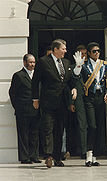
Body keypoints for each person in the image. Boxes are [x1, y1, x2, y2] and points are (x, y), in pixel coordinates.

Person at [32, 39, 77, 168]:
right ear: (55, 49)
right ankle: (48, 155)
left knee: (59, 130)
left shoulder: (66, 62)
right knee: (48, 129)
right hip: (48, 102)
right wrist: (35, 99)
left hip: (63, 103)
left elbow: (70, 80)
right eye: (63, 48)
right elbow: (35, 81)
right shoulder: (43, 62)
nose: (65, 51)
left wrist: (74, 88)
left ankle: (57, 157)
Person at [73, 42, 107, 167]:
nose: (97, 53)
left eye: (98, 51)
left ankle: (94, 156)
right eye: (94, 51)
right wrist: (78, 66)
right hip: (89, 98)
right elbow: (75, 76)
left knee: (100, 127)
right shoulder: (84, 65)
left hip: (100, 98)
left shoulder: (105, 65)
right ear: (89, 53)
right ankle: (88, 155)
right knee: (92, 126)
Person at [9, 54, 41, 164]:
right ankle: (24, 157)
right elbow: (12, 93)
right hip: (23, 110)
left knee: (34, 134)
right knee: (23, 135)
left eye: (34, 62)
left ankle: (34, 156)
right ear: (24, 63)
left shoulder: (37, 75)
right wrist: (18, 107)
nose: (32, 64)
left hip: (36, 110)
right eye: (30, 62)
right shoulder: (18, 75)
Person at [69, 45, 88, 159]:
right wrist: (71, 102)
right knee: (82, 125)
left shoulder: (92, 66)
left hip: (91, 99)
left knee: (92, 125)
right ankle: (83, 150)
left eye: (85, 54)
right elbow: (71, 85)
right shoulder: (72, 67)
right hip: (79, 99)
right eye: (81, 54)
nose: (83, 56)